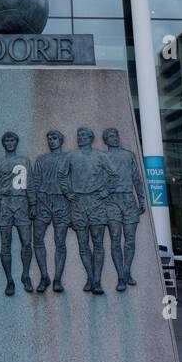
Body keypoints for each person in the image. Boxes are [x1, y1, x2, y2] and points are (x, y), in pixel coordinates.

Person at [62, 126, 112, 295]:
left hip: (96, 203)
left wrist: (106, 190)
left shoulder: (100, 156)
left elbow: (114, 175)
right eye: (79, 135)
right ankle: (90, 277)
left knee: (98, 242)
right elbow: (62, 175)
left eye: (84, 135)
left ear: (91, 138)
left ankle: (98, 280)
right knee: (83, 243)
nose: (80, 137)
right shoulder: (71, 156)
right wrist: (68, 192)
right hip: (78, 203)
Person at [101, 127, 145, 292]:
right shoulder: (103, 157)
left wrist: (141, 199)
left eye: (116, 135)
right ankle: (121, 276)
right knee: (115, 239)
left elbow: (137, 179)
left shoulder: (128, 155)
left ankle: (127, 271)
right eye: (111, 136)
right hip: (111, 201)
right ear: (106, 140)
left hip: (128, 199)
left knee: (130, 239)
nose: (114, 138)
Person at [0, 130, 35, 296]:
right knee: (5, 244)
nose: (10, 143)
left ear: (16, 143)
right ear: (4, 143)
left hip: (21, 203)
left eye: (12, 140)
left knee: (26, 242)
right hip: (4, 205)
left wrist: (33, 204)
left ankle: (25, 275)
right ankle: (9, 279)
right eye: (7, 140)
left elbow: (30, 183)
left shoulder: (24, 160)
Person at [32, 129, 71, 293]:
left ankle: (57, 279)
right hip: (43, 202)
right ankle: (44, 276)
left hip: (62, 202)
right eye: (49, 138)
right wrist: (33, 204)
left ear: (61, 140)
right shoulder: (41, 159)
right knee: (38, 239)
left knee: (60, 241)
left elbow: (73, 181)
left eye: (54, 138)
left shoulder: (69, 158)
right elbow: (35, 181)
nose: (51, 141)